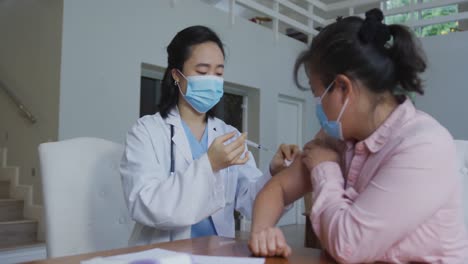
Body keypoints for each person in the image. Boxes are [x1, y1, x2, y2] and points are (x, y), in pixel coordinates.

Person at [248, 9, 468, 263]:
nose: (317, 105)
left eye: (317, 93)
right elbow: (276, 190)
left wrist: (325, 168)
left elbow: (348, 245)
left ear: (342, 88)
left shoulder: (423, 145)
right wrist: (262, 232)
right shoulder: (338, 137)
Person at [120, 25, 299, 245]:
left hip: (217, 254)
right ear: (177, 75)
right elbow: (144, 204)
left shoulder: (228, 135)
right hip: (164, 254)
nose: (212, 80)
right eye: (203, 72)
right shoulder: (146, 132)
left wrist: (275, 173)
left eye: (219, 73)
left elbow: (251, 202)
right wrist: (210, 164)